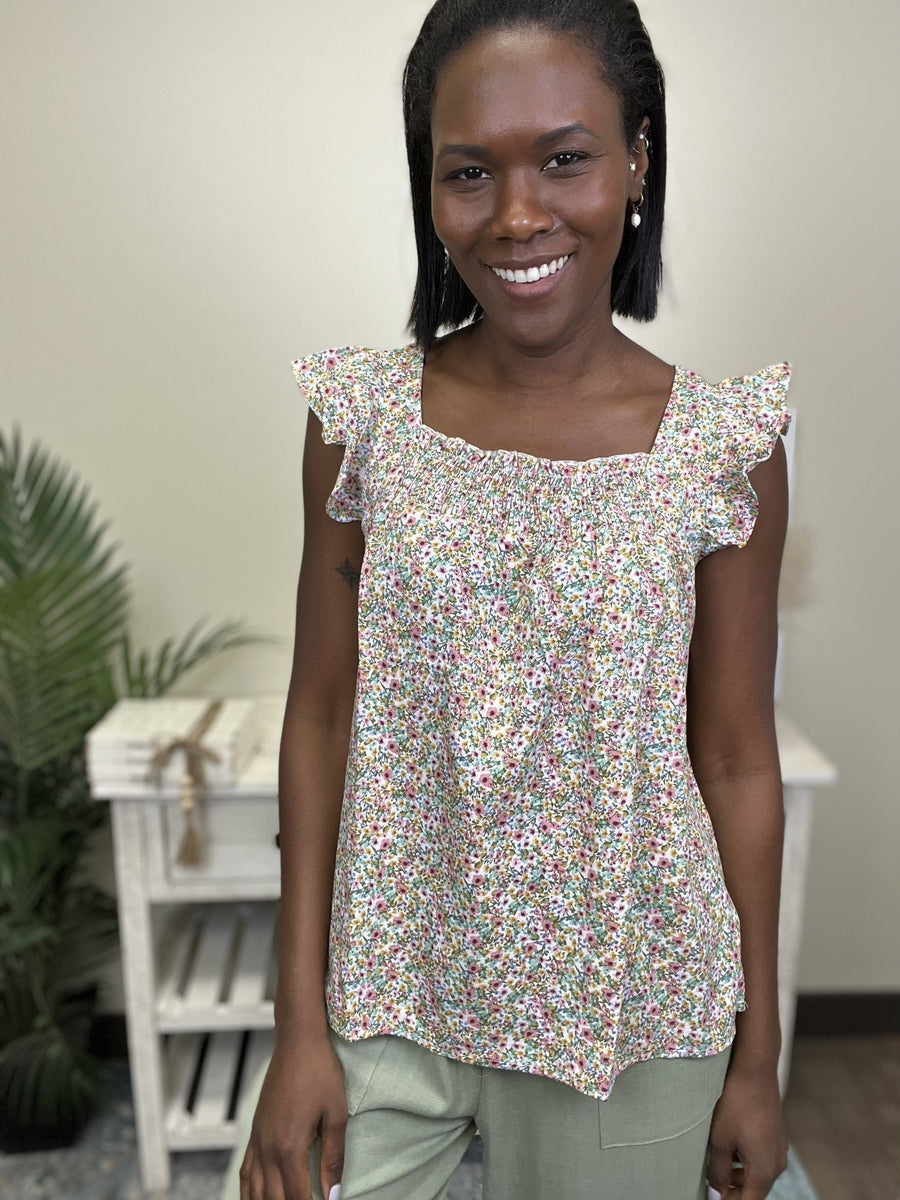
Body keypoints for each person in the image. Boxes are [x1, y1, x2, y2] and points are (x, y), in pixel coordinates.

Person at [230, 1, 791, 1197]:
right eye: (470, 171)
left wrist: (758, 1057)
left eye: (566, 158)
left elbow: (738, 760)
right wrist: (295, 1024)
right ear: (430, 188)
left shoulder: (721, 447)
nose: (519, 214)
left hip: (634, 1011)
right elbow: (320, 715)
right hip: (390, 991)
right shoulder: (361, 425)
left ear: (638, 160)